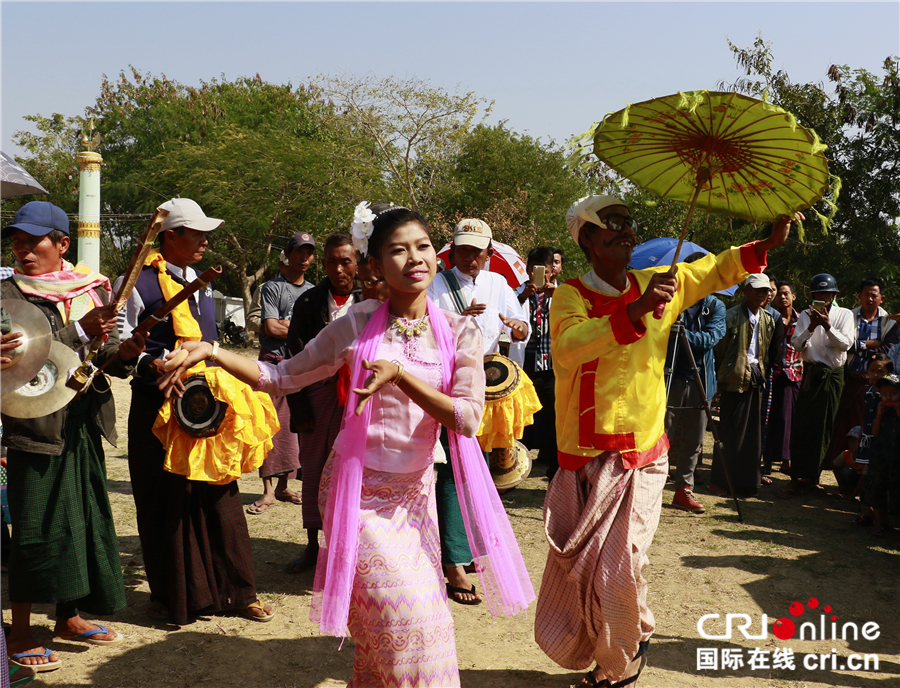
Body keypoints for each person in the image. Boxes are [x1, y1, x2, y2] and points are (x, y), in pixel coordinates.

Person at [159, 201, 533, 688]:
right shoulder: (357, 324)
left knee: (425, 628)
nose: (414, 258)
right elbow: (282, 375)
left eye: (422, 247)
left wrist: (402, 378)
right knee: (406, 627)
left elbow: (466, 419)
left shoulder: (461, 334)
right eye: (398, 251)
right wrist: (213, 351)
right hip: (356, 496)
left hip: (415, 499)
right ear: (375, 266)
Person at [535, 194, 795, 688]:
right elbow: (569, 348)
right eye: (611, 223)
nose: (625, 230)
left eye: (629, 223)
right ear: (586, 237)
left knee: (622, 560)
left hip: (641, 455)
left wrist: (765, 243)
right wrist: (633, 310)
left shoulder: (661, 284)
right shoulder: (569, 295)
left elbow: (714, 271)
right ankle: (622, 643)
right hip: (584, 456)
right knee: (588, 571)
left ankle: (624, 660)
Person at [2, 201, 145, 671]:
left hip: (82, 424)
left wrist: (125, 353)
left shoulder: (90, 289)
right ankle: (21, 633)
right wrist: (74, 331)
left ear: (62, 244)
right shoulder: (7, 297)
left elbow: (103, 360)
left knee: (78, 520)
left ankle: (68, 616)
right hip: (33, 428)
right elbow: (21, 366)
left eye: (34, 241)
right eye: (18, 242)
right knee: (33, 529)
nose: (23, 251)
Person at [116, 197, 273, 624]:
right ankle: (174, 597)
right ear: (170, 235)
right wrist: (152, 362)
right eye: (196, 233)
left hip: (206, 405)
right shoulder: (138, 283)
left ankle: (239, 592)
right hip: (158, 407)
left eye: (206, 233)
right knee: (166, 504)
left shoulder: (202, 283)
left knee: (220, 497)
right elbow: (119, 345)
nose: (205, 241)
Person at [427, 218, 530, 604]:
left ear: (489, 253)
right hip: (447, 383)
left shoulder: (499, 284)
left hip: (488, 383)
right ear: (453, 251)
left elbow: (519, 329)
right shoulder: (436, 283)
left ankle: (466, 549)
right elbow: (422, 328)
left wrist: (518, 326)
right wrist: (458, 320)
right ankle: (453, 560)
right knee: (454, 470)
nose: (471, 257)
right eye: (464, 250)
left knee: (480, 469)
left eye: (478, 251)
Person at [284, 232, 362, 573]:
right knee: (315, 469)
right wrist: (299, 408)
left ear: (358, 263)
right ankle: (313, 544)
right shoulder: (308, 302)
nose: (339, 268)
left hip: (360, 400)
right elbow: (294, 355)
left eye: (346, 261)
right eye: (332, 261)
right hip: (316, 398)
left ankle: (352, 546)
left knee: (355, 470)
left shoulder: (372, 301)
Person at [247, 232, 316, 514]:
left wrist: (295, 329)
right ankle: (266, 491)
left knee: (296, 428)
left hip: (303, 365)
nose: (304, 257)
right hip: (274, 364)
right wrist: (305, 331)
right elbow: (272, 327)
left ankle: (283, 487)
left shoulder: (313, 291)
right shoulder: (272, 288)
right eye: (299, 251)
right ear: (287, 254)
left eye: (309, 252)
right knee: (269, 426)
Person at [780, 274, 856, 498]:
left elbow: (845, 344)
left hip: (833, 376)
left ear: (834, 295)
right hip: (812, 374)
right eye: (819, 295)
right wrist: (812, 327)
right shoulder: (805, 315)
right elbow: (796, 343)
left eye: (827, 294)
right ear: (814, 296)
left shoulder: (844, 315)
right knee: (803, 424)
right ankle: (795, 477)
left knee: (826, 427)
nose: (823, 298)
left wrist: (828, 327)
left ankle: (814, 478)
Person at [663, 252, 726, 513]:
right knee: (660, 437)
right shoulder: (670, 301)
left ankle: (683, 490)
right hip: (669, 378)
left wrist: (682, 333)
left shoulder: (715, 306)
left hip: (701, 380)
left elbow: (712, 338)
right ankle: (650, 487)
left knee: (693, 441)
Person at [712, 274, 777, 497]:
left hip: (756, 376)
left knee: (752, 432)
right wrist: (725, 374)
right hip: (734, 377)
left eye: (765, 290)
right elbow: (720, 350)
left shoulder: (768, 319)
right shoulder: (731, 316)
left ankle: (747, 481)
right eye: (757, 290)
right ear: (746, 290)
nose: (762, 294)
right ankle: (721, 481)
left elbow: (765, 351)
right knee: (730, 431)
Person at [824, 278, 898, 468]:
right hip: (847, 376)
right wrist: (869, 344)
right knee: (839, 420)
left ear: (882, 298)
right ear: (859, 296)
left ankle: (860, 466)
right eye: (866, 294)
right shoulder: (848, 316)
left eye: (874, 295)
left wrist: (858, 348)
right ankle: (833, 462)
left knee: (866, 421)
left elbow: (886, 350)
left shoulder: (889, 322)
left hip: (873, 382)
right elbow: (843, 345)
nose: (870, 299)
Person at [511, 246, 559, 477]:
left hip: (550, 367)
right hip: (524, 366)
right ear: (528, 269)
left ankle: (554, 467)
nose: (540, 274)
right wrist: (522, 297)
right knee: (519, 416)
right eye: (535, 269)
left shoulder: (562, 294)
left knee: (553, 417)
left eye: (546, 270)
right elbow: (505, 316)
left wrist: (555, 297)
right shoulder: (515, 293)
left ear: (552, 271)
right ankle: (513, 464)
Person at [763, 281, 803, 474]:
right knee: (771, 417)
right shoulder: (770, 317)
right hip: (772, 373)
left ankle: (787, 459)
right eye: (779, 294)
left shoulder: (803, 319)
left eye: (786, 293)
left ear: (793, 297)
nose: (782, 297)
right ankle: (768, 460)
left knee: (788, 418)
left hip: (794, 374)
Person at [861, 373, 900, 537]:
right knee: (877, 487)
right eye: (884, 394)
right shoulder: (881, 410)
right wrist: (878, 415)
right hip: (880, 455)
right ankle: (878, 521)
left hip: (897, 457)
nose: (888, 397)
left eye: (893, 393)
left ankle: (888, 520)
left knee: (895, 489)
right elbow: (875, 433)